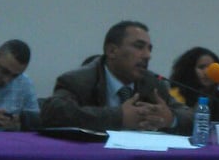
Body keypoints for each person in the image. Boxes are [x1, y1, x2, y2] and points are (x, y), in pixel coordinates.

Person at [41, 21, 192, 134]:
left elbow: (195, 118)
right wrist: (118, 117)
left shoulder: (153, 84)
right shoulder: (79, 80)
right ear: (112, 51)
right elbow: (53, 113)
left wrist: (172, 119)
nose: (147, 55)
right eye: (139, 47)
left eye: (149, 49)